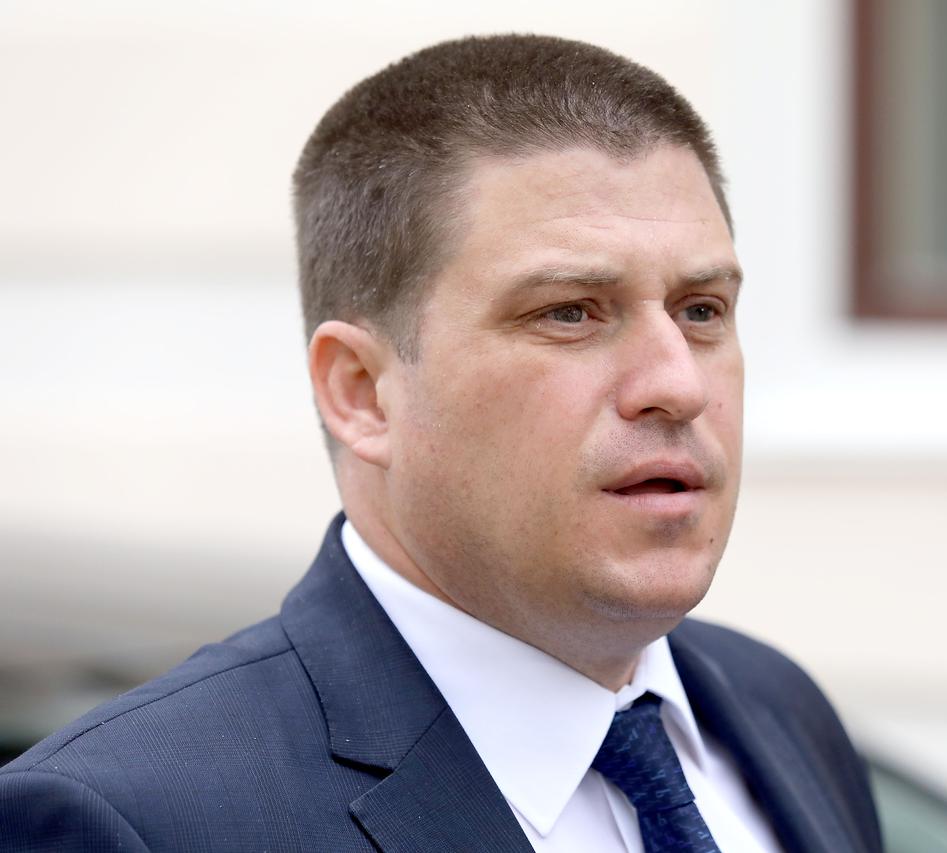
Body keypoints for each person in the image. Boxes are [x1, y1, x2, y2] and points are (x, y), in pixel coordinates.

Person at [0, 35, 882, 853]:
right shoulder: (130, 818)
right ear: (361, 391)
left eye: (702, 310)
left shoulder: (778, 711)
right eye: (570, 312)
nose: (679, 384)